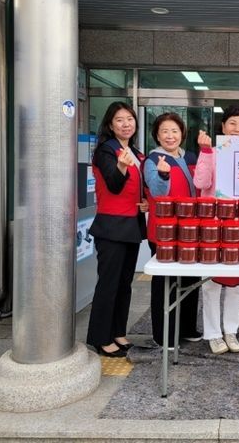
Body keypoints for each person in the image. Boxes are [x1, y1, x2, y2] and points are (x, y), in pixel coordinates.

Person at [86, 102, 147, 357]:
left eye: (130, 119)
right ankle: (101, 338)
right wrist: (121, 166)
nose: (126, 124)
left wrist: (145, 202)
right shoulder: (106, 151)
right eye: (120, 120)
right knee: (108, 284)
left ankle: (118, 332)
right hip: (111, 227)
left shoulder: (136, 153)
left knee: (124, 284)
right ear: (110, 125)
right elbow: (113, 184)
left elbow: (138, 187)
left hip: (131, 226)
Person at [194, 105, 239, 355]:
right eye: (232, 124)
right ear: (223, 126)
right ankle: (213, 334)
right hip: (213, 227)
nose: (237, 129)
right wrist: (206, 153)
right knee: (211, 283)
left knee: (235, 284)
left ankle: (231, 331)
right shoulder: (212, 152)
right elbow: (200, 182)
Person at [144, 112, 201, 348]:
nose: (170, 136)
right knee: (165, 284)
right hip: (164, 232)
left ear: (182, 134)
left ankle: (187, 328)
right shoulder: (152, 160)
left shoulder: (191, 157)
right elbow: (157, 192)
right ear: (157, 135)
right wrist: (163, 173)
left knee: (190, 280)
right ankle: (163, 335)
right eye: (164, 131)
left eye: (174, 131)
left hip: (190, 230)